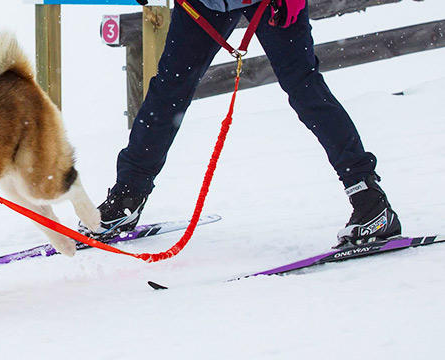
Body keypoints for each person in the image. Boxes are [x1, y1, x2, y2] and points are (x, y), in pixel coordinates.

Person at [84, 0, 401, 248]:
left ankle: (369, 199)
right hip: (204, 3)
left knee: (304, 88)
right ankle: (128, 199)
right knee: (167, 92)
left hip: (271, 3)